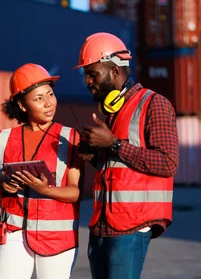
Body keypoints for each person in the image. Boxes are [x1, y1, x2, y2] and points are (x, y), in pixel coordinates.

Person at [72, 32, 179, 279]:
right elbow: (120, 171)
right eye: (85, 75)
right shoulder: (111, 111)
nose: (87, 81)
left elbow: (168, 162)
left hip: (132, 226)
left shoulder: (155, 104)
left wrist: (113, 144)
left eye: (92, 74)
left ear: (114, 71)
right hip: (101, 225)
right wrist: (95, 157)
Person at [0, 63, 83, 279]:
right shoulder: (2, 139)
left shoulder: (70, 138)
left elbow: (75, 193)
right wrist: (1, 183)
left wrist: (44, 189)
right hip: (13, 234)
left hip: (57, 238)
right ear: (21, 105)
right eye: (38, 99)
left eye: (50, 94)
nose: (48, 103)